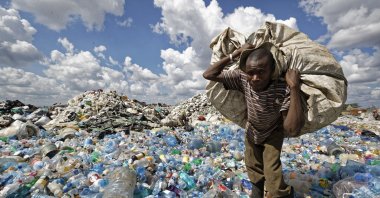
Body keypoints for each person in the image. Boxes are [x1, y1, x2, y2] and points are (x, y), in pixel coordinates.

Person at [203, 43, 305, 198]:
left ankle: (285, 194)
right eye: (251, 72)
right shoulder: (243, 78)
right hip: (252, 130)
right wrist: (237, 53)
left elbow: (291, 129)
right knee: (253, 170)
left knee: (273, 177)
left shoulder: (282, 87)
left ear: (272, 71)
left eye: (261, 72)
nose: (255, 78)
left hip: (273, 132)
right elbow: (209, 74)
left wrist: (294, 87)